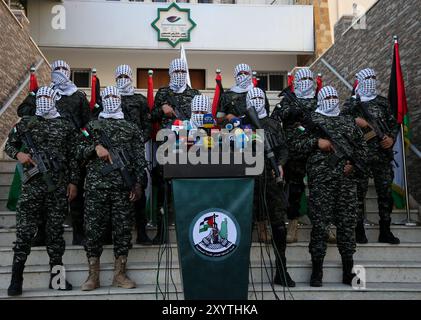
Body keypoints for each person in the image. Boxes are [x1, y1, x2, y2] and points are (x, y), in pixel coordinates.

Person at [5, 86, 79, 296]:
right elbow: (9, 146)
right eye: (42, 96)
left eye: (48, 96)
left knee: (55, 234)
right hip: (31, 188)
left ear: (55, 99)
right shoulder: (26, 123)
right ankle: (16, 280)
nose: (45, 100)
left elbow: (73, 156)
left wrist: (73, 182)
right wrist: (18, 154)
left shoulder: (65, 125)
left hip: (56, 188)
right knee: (25, 233)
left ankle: (57, 280)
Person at [292, 86, 368, 287]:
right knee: (320, 226)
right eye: (328, 96)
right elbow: (295, 145)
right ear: (320, 99)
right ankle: (317, 272)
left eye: (335, 96)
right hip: (321, 183)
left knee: (346, 226)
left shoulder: (347, 121)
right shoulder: (311, 120)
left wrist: (353, 164)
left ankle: (348, 272)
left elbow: (362, 148)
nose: (332, 99)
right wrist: (316, 142)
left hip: (346, 183)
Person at [78, 86, 146, 291]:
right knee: (93, 230)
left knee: (123, 231)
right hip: (95, 188)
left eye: (114, 96)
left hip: (122, 189)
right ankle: (93, 276)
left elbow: (139, 159)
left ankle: (120, 274)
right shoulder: (91, 126)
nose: (110, 99)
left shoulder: (131, 128)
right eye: (106, 96)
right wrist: (94, 148)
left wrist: (137, 183)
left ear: (120, 100)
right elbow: (77, 151)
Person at [17, 60, 91, 246]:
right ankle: (41, 234)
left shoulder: (78, 96)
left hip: (70, 149)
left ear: (69, 72)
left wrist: (80, 140)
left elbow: (87, 123)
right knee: (43, 195)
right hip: (44, 151)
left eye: (63, 69)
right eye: (56, 69)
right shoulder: (43, 93)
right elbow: (22, 110)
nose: (59, 72)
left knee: (75, 193)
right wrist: (42, 108)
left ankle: (78, 233)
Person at [342, 68, 400, 244]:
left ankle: (385, 230)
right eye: (367, 78)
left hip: (381, 156)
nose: (371, 81)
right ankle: (359, 230)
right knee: (359, 193)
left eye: (374, 77)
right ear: (359, 81)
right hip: (360, 156)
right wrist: (357, 122)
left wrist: (390, 138)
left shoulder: (382, 102)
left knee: (385, 194)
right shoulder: (351, 105)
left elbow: (393, 124)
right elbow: (341, 126)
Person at [247, 87, 295, 287]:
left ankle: (281, 269)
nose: (257, 100)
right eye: (253, 97)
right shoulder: (241, 124)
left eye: (261, 97)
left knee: (277, 223)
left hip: (272, 177)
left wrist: (280, 164)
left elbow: (284, 148)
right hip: (248, 179)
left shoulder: (274, 124)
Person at [150, 58, 200, 244]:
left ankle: (190, 231)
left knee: (188, 187)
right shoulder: (163, 92)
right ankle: (162, 232)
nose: (179, 75)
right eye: (175, 72)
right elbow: (151, 116)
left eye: (182, 71)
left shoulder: (194, 93)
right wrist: (162, 110)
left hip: (189, 146)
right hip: (167, 146)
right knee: (164, 187)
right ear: (170, 73)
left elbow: (201, 119)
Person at [270, 68, 318, 243]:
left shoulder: (319, 100)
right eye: (301, 78)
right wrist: (290, 111)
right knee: (295, 189)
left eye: (308, 78)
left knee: (320, 189)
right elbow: (274, 120)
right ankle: (293, 223)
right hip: (293, 152)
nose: (305, 81)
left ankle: (324, 225)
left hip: (316, 151)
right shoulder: (287, 101)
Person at [114, 64, 152, 245]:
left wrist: (139, 140)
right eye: (119, 76)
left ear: (131, 78)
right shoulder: (109, 98)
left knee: (139, 189)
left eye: (126, 76)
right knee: (117, 193)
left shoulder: (140, 99)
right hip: (114, 153)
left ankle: (142, 233)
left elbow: (147, 123)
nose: (123, 79)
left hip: (136, 152)